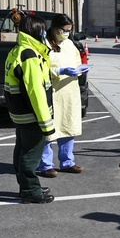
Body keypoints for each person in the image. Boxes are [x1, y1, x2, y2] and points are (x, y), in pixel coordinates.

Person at [4, 9, 57, 203]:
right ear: (37, 32)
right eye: (43, 31)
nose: (45, 34)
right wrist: (47, 125)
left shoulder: (17, 50)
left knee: (21, 149)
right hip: (31, 115)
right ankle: (31, 191)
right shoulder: (30, 55)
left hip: (20, 113)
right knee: (31, 154)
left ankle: (26, 186)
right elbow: (36, 93)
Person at [37, 13, 88, 177]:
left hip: (69, 92)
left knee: (68, 127)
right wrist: (59, 71)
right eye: (64, 30)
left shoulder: (69, 44)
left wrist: (80, 70)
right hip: (52, 92)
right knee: (48, 130)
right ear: (55, 28)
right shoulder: (43, 44)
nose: (66, 34)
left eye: (69, 31)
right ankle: (45, 165)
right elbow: (40, 68)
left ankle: (67, 162)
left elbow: (77, 62)